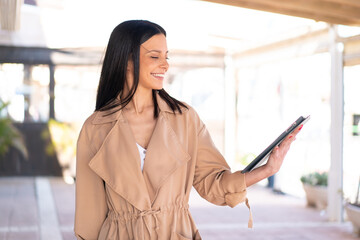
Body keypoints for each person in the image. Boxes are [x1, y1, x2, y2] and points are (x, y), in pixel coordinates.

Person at [74, 20, 302, 240]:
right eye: (154, 56)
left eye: (166, 56)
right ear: (126, 60)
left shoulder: (185, 119)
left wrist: (267, 170)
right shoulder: (96, 128)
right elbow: (89, 217)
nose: (165, 65)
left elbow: (213, 183)